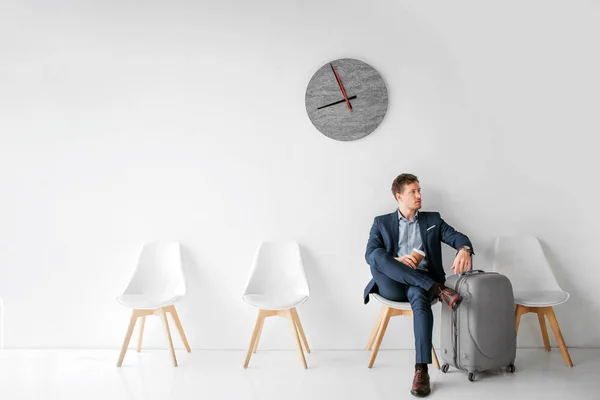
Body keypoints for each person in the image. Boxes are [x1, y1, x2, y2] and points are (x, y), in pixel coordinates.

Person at [364, 173, 474, 397]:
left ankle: (421, 370)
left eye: (419, 190)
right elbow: (370, 255)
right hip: (391, 284)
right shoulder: (381, 222)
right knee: (377, 255)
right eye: (413, 191)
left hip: (419, 284)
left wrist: (465, 249)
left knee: (420, 300)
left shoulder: (432, 220)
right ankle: (438, 289)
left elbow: (457, 236)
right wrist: (396, 261)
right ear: (399, 196)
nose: (418, 195)